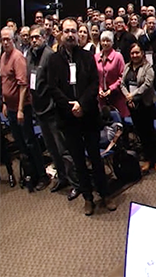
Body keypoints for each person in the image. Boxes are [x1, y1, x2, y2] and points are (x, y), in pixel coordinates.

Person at [47, 19, 116, 215]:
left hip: (89, 116)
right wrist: (71, 106)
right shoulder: (54, 60)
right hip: (68, 119)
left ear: (78, 34)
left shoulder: (87, 56)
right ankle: (87, 197)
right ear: (61, 34)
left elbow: (94, 84)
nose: (70, 34)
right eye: (67, 31)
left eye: (73, 31)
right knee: (78, 160)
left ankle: (105, 194)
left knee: (95, 158)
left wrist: (81, 104)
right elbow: (53, 88)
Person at [28, 25, 80, 196]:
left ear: (44, 37)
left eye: (37, 37)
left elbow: (55, 86)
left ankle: (76, 183)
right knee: (51, 149)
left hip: (52, 111)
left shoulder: (50, 56)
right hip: (39, 111)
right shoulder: (30, 55)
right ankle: (62, 178)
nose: (34, 40)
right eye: (31, 37)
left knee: (63, 149)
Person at [1, 27, 50, 190]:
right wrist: (4, 104)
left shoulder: (18, 58)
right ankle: (31, 173)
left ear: (14, 40)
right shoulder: (3, 57)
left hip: (23, 108)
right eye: (3, 39)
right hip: (11, 108)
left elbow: (23, 86)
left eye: (8, 39)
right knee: (20, 144)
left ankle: (42, 175)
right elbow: (4, 83)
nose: (5, 42)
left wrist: (21, 109)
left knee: (30, 142)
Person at [120, 43, 156, 173]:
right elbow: (122, 83)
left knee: (150, 133)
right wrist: (127, 96)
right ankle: (148, 159)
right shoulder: (127, 67)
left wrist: (132, 95)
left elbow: (147, 85)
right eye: (132, 53)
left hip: (146, 104)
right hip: (133, 105)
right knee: (141, 133)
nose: (135, 55)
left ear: (142, 53)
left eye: (137, 52)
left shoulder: (147, 67)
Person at [95, 31, 128, 120]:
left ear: (112, 42)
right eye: (103, 41)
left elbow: (122, 76)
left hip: (116, 96)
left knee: (119, 124)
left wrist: (111, 89)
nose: (105, 43)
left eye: (108, 41)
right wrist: (100, 89)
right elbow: (94, 77)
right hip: (101, 98)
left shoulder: (118, 56)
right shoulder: (96, 57)